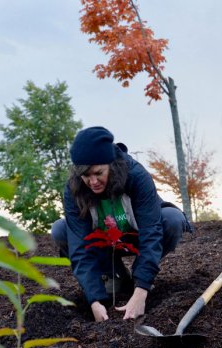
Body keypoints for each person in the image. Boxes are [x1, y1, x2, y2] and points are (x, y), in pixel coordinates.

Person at [51, 126, 192, 322]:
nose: (93, 182)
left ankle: (138, 276)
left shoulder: (136, 176)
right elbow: (79, 247)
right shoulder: (74, 190)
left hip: (137, 236)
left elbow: (152, 231)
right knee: (60, 229)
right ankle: (114, 274)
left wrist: (141, 289)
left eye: (98, 173)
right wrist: (94, 300)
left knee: (172, 219)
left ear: (110, 163)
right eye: (86, 176)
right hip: (104, 243)